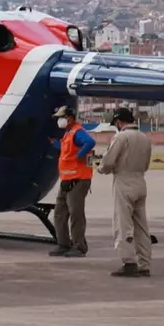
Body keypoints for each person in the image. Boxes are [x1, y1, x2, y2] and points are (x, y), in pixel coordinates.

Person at [96, 107, 153, 277]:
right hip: (140, 181)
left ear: (119, 122)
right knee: (141, 226)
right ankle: (145, 263)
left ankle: (129, 262)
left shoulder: (121, 137)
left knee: (123, 223)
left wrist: (101, 168)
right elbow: (147, 164)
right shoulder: (145, 138)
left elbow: (109, 161)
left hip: (124, 181)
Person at [48, 105, 96, 258]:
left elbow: (90, 142)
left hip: (78, 180)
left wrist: (79, 157)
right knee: (59, 213)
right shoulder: (68, 134)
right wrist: (54, 143)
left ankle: (79, 246)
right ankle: (63, 244)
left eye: (61, 118)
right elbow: (65, 150)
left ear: (70, 118)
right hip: (67, 180)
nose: (59, 121)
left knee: (75, 213)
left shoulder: (77, 132)